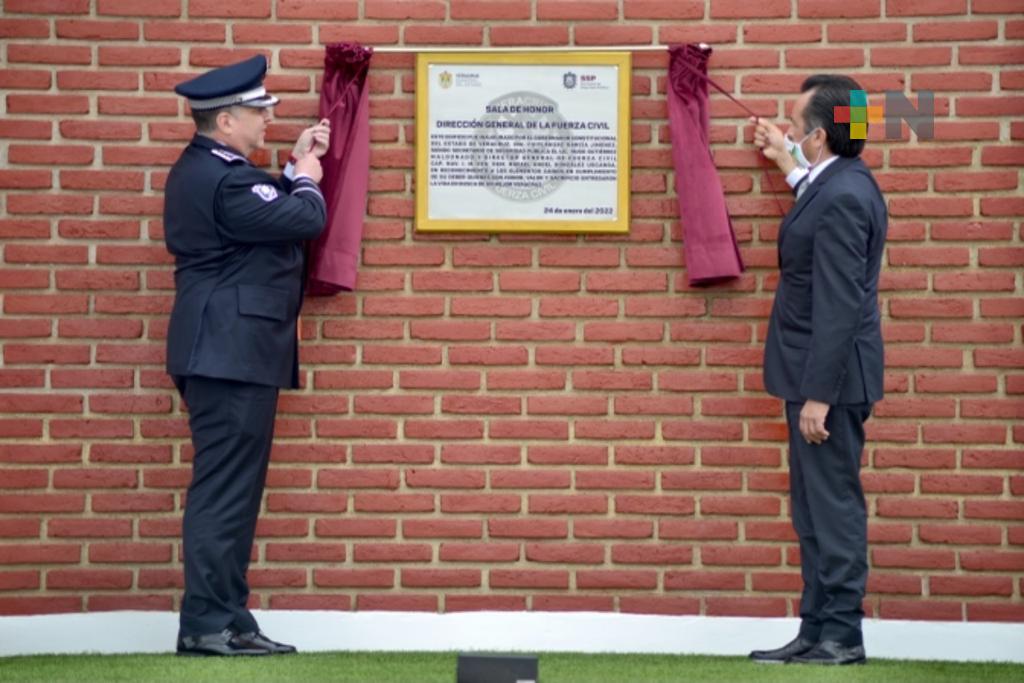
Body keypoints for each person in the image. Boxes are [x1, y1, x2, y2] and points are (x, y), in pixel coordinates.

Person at [163, 55, 330, 656]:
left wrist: (290, 165)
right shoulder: (227, 179)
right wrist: (307, 173)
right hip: (227, 354)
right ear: (228, 120)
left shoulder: (215, 172)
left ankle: (227, 618)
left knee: (233, 490)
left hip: (225, 353)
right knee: (225, 492)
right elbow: (305, 217)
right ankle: (208, 624)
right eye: (259, 113)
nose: (266, 121)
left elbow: (264, 212)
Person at [748, 75, 888, 665]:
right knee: (810, 509)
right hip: (816, 378)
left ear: (823, 136)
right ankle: (815, 627)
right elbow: (815, 193)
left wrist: (817, 397)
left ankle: (842, 635)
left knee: (831, 506)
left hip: (827, 384)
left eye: (797, 128)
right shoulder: (839, 183)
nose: (791, 133)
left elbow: (838, 304)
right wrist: (784, 159)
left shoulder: (846, 197)